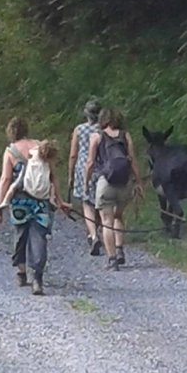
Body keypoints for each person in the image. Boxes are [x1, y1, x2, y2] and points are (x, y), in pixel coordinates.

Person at [0, 117, 70, 295]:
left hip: (20, 201)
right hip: (41, 201)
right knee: (40, 237)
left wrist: (0, 205)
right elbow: (53, 176)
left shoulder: (11, 151)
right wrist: (59, 201)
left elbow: (5, 179)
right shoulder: (42, 147)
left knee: (21, 234)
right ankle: (38, 278)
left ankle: (22, 273)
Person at [85, 108, 144, 271]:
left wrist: (86, 183)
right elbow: (133, 161)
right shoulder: (125, 136)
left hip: (106, 183)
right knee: (118, 216)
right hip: (125, 183)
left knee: (106, 221)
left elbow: (90, 163)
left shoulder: (96, 137)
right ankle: (120, 250)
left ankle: (112, 260)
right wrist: (139, 182)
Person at [68, 99, 102, 255]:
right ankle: (98, 231)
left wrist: (70, 174)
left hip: (83, 168)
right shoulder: (103, 130)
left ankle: (93, 235)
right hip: (101, 167)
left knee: (86, 202)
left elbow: (73, 154)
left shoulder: (79, 129)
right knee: (100, 203)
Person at [0, 139, 59, 212]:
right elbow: (53, 176)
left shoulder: (34, 151)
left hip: (28, 183)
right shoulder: (46, 162)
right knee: (51, 186)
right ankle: (51, 199)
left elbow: (6, 178)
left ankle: (5, 201)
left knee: (14, 186)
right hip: (42, 192)